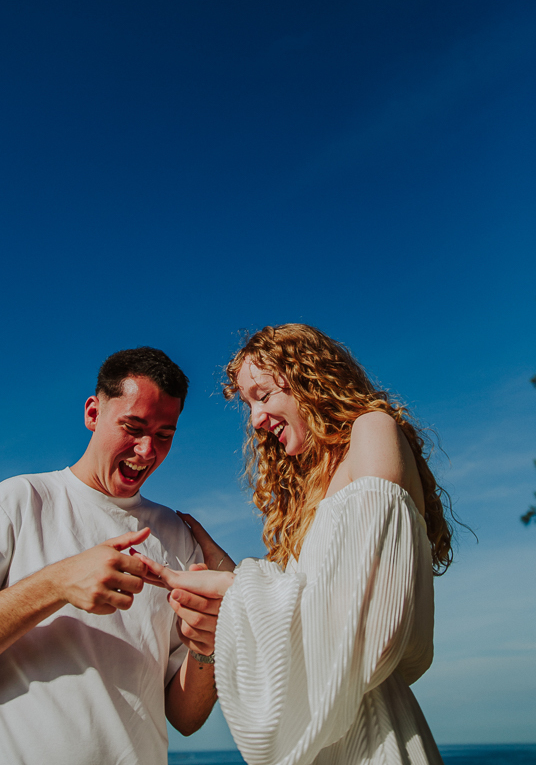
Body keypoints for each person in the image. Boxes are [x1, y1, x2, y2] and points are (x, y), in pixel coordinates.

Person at [0, 347, 222, 765]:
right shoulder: (19, 502)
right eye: (132, 426)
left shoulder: (177, 537)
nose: (145, 450)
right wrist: (56, 582)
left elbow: (185, 718)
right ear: (92, 413)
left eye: (163, 435)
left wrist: (208, 643)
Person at [140, 324, 452, 765]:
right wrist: (231, 578)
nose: (256, 420)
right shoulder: (313, 487)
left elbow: (372, 626)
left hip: (370, 741)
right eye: (248, 405)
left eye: (263, 395)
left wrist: (234, 593)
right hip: (326, 735)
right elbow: (316, 614)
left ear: (311, 379)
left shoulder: (373, 431)